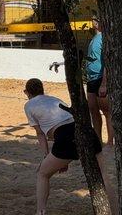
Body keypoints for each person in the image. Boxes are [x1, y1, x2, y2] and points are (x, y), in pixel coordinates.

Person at [23, 78, 117, 215]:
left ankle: (40, 211)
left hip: (65, 137)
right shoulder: (54, 99)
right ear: (42, 89)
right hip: (86, 131)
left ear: (26, 92)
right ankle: (115, 211)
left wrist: (47, 156)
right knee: (104, 176)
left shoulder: (29, 105)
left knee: (42, 173)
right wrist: (60, 158)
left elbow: (41, 135)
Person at [85, 14, 113, 145]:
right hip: (91, 79)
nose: (95, 22)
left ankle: (110, 142)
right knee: (93, 111)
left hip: (100, 78)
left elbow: (108, 62)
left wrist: (104, 83)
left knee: (107, 111)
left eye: (96, 20)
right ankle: (97, 141)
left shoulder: (104, 38)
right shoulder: (94, 38)